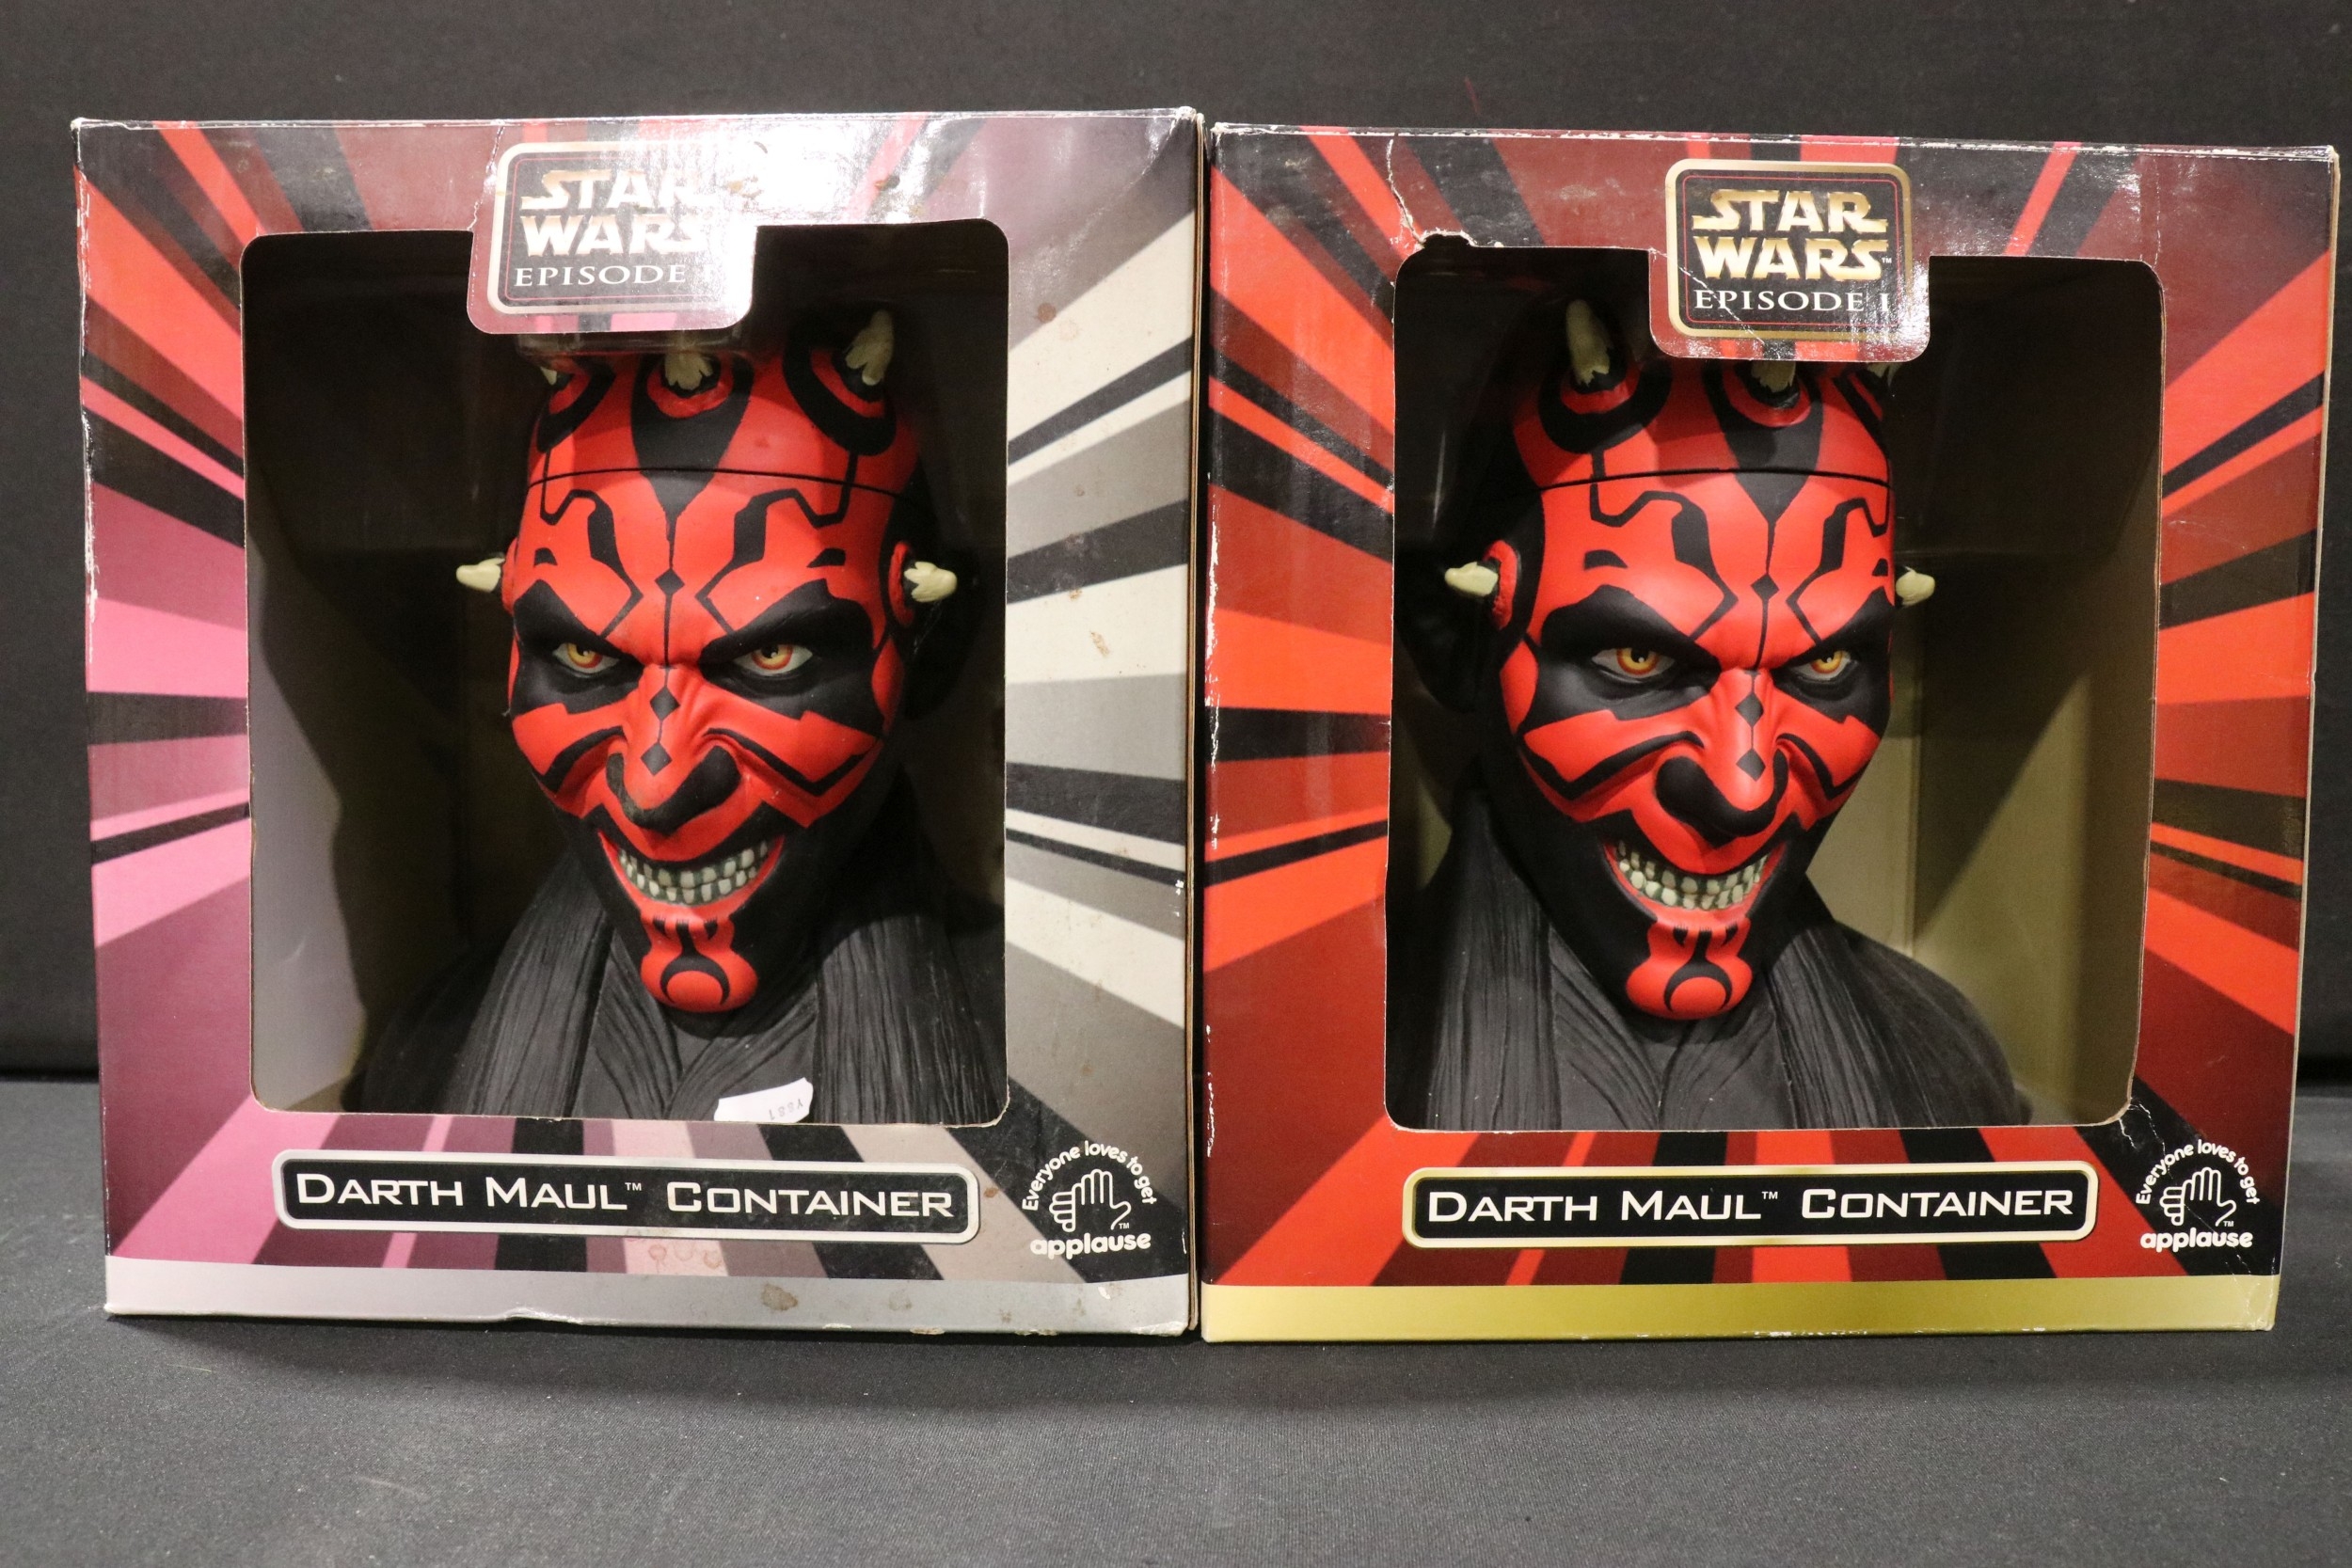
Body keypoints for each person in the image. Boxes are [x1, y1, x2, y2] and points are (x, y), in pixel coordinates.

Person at [349, 311, 1003, 1124]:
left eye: (771, 657)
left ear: (930, 645)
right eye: (584, 657)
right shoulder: (422, 1052)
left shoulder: (1036, 1046)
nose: (656, 786)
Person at [1391, 300, 2024, 1132]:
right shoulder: (1336, 1063)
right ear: (1455, 641)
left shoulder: (1946, 1064)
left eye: (1824, 665)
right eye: (1638, 660)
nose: (1743, 790)